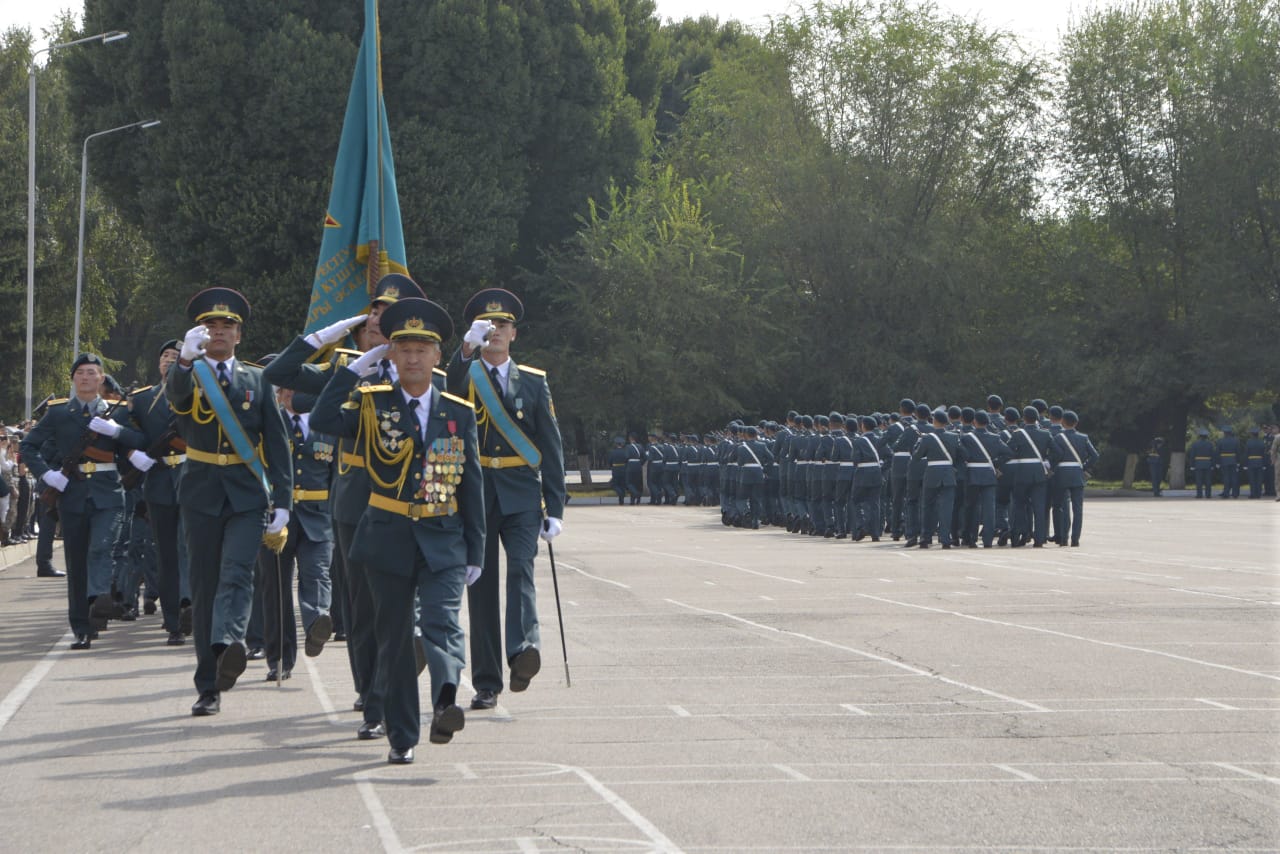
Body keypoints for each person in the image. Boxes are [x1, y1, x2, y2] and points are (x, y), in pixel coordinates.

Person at [311, 297, 483, 764]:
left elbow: (471, 484)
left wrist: (476, 549)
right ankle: (402, 736)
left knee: (442, 623)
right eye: (403, 348)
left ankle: (445, 700)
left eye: (421, 349)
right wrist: (350, 372)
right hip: (387, 537)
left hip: (443, 536)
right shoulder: (371, 404)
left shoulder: (457, 411)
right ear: (391, 353)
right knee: (395, 640)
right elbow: (323, 420)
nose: (412, 358)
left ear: (436, 356)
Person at [264, 273, 427, 736]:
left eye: (388, 314)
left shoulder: (425, 373)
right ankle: (372, 698)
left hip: (411, 503)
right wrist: (322, 338)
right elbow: (278, 376)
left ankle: (397, 684)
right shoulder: (343, 366)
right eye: (374, 312)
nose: (378, 320)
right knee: (362, 609)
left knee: (404, 603)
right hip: (356, 501)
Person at [166, 288, 293, 716]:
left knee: (238, 572)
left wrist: (284, 502)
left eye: (227, 326)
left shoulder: (258, 380)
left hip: (246, 493)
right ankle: (209, 684)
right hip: (201, 493)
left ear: (239, 335)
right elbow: (175, 398)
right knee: (204, 588)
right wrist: (185, 360)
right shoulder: (189, 373)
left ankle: (229, 642)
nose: (219, 332)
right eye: (211, 327)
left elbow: (277, 444)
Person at [447, 288, 567, 711]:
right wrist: (465, 350)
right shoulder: (465, 375)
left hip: (520, 494)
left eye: (503, 325)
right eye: (488, 326)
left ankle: (523, 651)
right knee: (480, 588)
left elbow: (551, 446)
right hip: (476, 495)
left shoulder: (533, 382)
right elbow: (448, 389)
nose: (495, 331)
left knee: (521, 569)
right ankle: (486, 682)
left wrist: (555, 507)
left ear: (514, 334)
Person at [20, 353, 146, 648]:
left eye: (92, 373)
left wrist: (117, 431)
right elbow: (29, 446)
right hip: (72, 493)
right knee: (76, 563)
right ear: (73, 379)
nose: (86, 377)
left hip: (108, 492)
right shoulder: (59, 412)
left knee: (101, 547)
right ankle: (82, 626)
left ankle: (98, 598)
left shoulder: (117, 412)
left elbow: (141, 442)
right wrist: (47, 475)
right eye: (81, 373)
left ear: (101, 379)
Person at [257, 385, 336, 682]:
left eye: (297, 387)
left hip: (318, 515)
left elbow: (337, 474)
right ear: (277, 394)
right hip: (277, 516)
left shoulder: (327, 423)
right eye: (285, 389)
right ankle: (279, 658)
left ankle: (317, 623)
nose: (291, 394)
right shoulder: (268, 424)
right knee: (275, 590)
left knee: (318, 573)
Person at [126, 339, 193, 646]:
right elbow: (125, 434)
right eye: (165, 355)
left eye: (175, 356)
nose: (169, 360)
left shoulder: (197, 393)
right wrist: (130, 454)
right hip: (158, 482)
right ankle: (173, 621)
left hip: (192, 478)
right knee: (166, 554)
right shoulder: (142, 400)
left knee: (187, 548)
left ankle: (188, 603)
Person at [1048, 410, 1100, 546]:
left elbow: (1054, 456)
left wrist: (1053, 468)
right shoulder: (1083, 437)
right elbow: (1095, 455)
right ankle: (1075, 539)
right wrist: (1083, 467)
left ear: (1062, 422)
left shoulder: (1058, 438)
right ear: (1076, 423)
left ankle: (1064, 538)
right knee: (1078, 509)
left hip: (1062, 474)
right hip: (1077, 473)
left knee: (1064, 507)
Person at [912, 409, 961, 549]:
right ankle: (945, 538)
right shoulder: (954, 436)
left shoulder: (927, 438)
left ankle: (925, 538)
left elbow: (916, 457)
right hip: (948, 473)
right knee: (947, 508)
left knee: (928, 507)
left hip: (932, 474)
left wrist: (919, 441)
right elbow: (959, 454)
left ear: (934, 421)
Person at [1007, 406, 1051, 547]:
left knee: (1020, 505)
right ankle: (1039, 539)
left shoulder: (1018, 434)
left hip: (1022, 473)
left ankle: (1020, 534)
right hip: (1039, 473)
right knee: (1039, 507)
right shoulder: (1045, 434)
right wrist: (1048, 463)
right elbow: (1056, 451)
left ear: (1024, 418)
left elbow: (1008, 451)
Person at [1188, 428, 1215, 499]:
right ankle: (1208, 495)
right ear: (1206, 436)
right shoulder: (1210, 444)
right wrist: (1212, 465)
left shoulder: (1195, 444)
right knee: (1208, 480)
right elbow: (1213, 455)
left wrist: (1192, 465)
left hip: (1198, 463)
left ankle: (1199, 495)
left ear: (1200, 436)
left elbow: (1192, 455)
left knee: (1199, 480)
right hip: (1208, 463)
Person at [1216, 426, 1241, 498]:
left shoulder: (1220, 441)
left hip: (1224, 460)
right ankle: (1235, 494)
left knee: (1226, 477)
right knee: (1234, 477)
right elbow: (1238, 452)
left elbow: (1217, 452)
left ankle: (1226, 493)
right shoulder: (1236, 441)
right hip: (1233, 460)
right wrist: (1238, 461)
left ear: (1224, 433)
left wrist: (1217, 462)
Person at [1243, 427, 1265, 499]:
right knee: (1259, 479)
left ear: (1252, 434)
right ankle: (1258, 494)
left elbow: (1246, 453)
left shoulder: (1249, 442)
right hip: (1260, 462)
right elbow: (1263, 454)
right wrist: (1264, 464)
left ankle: (1252, 494)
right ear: (1258, 434)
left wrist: (1245, 464)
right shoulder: (1261, 442)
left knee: (1252, 479)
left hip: (1251, 462)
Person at [607, 436, 627, 505]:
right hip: (624, 469)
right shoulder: (625, 452)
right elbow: (627, 460)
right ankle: (621, 500)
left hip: (615, 469)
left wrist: (612, 467)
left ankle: (620, 493)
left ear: (616, 444)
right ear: (622, 444)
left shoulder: (612, 452)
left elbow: (610, 462)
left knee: (614, 484)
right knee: (622, 485)